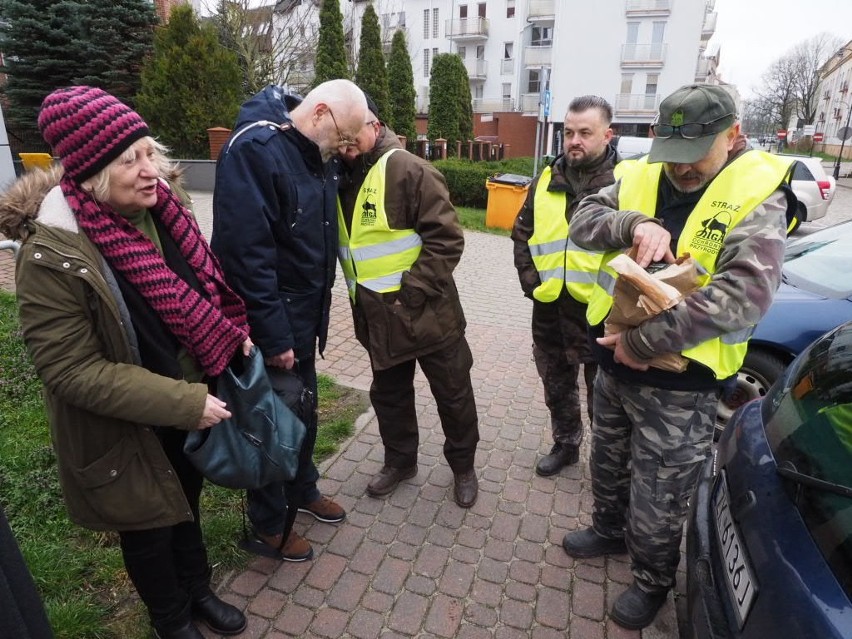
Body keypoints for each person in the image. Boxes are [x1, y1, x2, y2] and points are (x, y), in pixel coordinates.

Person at [2, 86, 251, 639]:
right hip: (126, 422)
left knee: (185, 503)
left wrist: (229, 335)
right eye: (130, 160)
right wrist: (182, 401)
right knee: (148, 525)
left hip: (190, 399)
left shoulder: (166, 209)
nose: (151, 170)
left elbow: (201, 289)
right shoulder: (52, 251)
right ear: (91, 174)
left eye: (148, 152)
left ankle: (200, 591)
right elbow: (70, 370)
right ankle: (170, 620)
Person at [563, 84, 797, 630]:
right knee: (609, 460)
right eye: (673, 155)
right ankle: (607, 529)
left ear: (732, 136)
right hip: (613, 365)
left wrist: (642, 344)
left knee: (662, 491)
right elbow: (581, 221)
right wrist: (632, 223)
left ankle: (652, 580)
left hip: (680, 385)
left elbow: (743, 297)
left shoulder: (758, 192)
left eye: (696, 157)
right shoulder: (641, 173)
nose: (682, 171)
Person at [211, 80, 367, 561]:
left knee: (304, 409)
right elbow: (246, 258)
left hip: (304, 316)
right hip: (273, 323)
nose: (344, 150)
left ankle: (303, 489)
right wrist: (274, 336)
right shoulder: (256, 150)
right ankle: (267, 526)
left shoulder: (313, 151)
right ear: (320, 112)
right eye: (343, 138)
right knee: (272, 421)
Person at [336, 99, 480, 507]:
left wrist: (410, 293)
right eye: (339, 140)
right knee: (390, 395)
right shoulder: (339, 176)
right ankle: (400, 462)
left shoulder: (410, 169)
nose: (346, 147)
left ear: (375, 124)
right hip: (378, 318)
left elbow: (447, 240)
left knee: (453, 393)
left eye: (352, 137)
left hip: (428, 314)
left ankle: (463, 466)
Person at [511, 95, 617, 476]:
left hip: (602, 315)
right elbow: (521, 236)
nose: (574, 140)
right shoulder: (545, 181)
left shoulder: (624, 184)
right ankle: (566, 445)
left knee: (605, 397)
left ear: (608, 134)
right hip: (551, 308)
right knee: (557, 386)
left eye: (585, 133)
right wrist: (531, 283)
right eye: (569, 132)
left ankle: (605, 464)